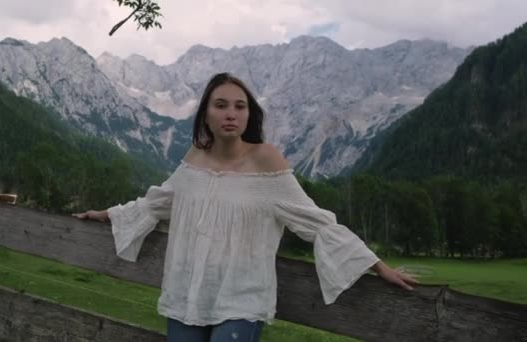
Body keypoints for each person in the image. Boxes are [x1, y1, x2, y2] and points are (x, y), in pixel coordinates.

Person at [73, 72, 418, 342]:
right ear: (205, 115)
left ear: (249, 114)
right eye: (220, 105)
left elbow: (318, 224)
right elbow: (158, 203)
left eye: (240, 106)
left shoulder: (266, 160)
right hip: (185, 295)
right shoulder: (194, 158)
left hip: (241, 300)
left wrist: (378, 266)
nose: (231, 114)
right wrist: (106, 214)